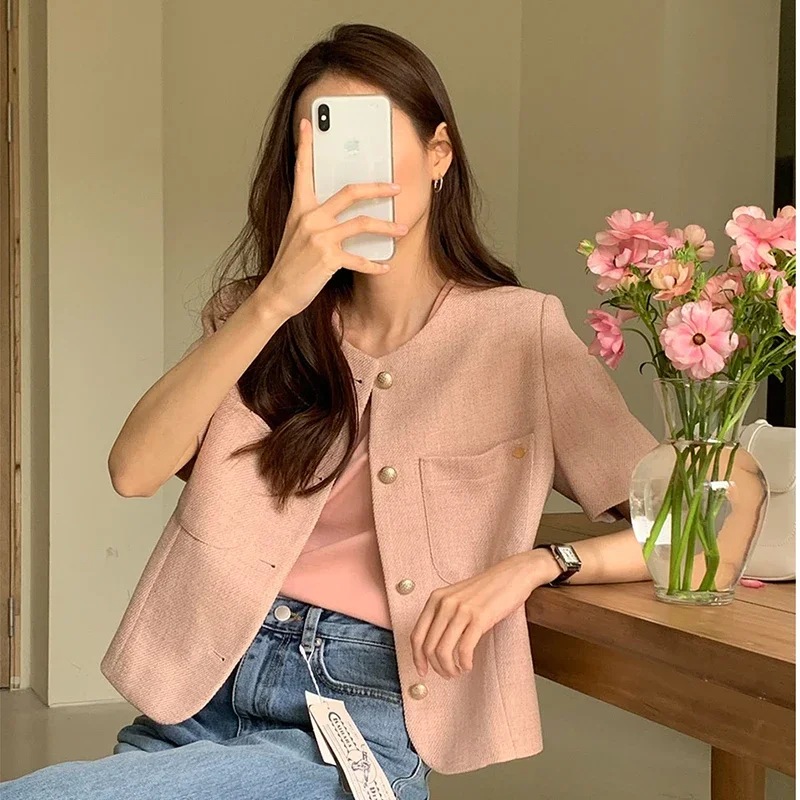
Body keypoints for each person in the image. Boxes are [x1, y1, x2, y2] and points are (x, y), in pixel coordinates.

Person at [1, 22, 657, 800]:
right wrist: (276, 298)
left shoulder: (520, 334)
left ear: (439, 154)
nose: (351, 178)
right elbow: (133, 470)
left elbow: (702, 519)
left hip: (360, 715)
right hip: (201, 693)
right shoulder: (259, 320)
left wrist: (542, 563)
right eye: (322, 152)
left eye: (371, 143)